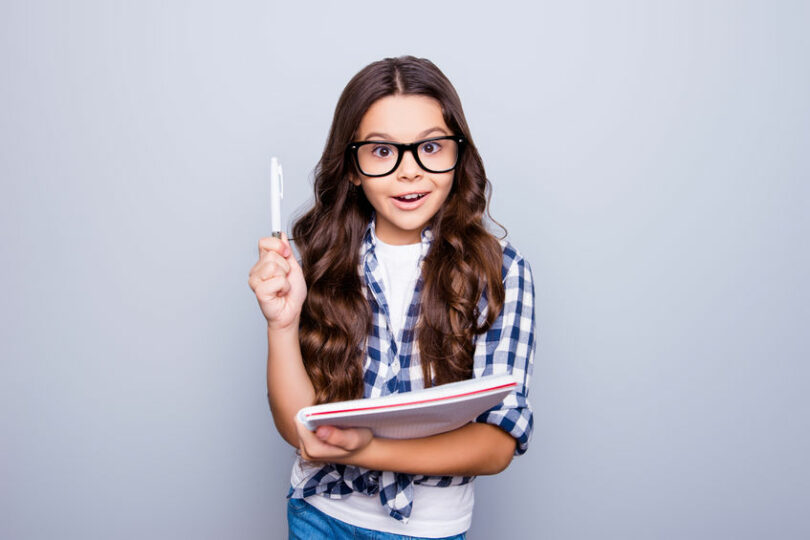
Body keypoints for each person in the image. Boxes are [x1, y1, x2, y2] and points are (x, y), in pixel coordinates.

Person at [248, 56, 535, 540]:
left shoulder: (500, 271)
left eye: (429, 147)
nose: (409, 172)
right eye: (382, 152)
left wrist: (364, 450)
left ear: (458, 155)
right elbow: (301, 430)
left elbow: (496, 444)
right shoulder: (319, 260)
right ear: (353, 168)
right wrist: (281, 323)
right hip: (322, 517)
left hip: (430, 528)